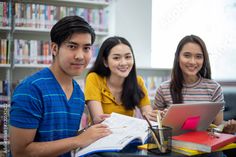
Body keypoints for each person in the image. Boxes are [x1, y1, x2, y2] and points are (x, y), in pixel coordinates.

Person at [9, 16, 111, 157]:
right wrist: (78, 140)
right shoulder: (30, 90)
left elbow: (62, 139)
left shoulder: (78, 94)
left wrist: (90, 132)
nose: (80, 56)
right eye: (72, 47)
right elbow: (20, 152)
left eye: (86, 48)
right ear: (54, 48)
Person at [154, 35, 236, 134]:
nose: (193, 62)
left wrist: (226, 129)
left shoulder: (214, 88)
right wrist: (161, 118)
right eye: (187, 55)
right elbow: (156, 128)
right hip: (173, 146)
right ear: (177, 57)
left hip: (205, 146)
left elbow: (218, 128)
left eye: (198, 56)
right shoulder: (163, 89)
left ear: (204, 59)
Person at [84, 36, 157, 124]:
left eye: (128, 57)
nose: (123, 63)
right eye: (116, 58)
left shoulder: (138, 82)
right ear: (105, 62)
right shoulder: (94, 78)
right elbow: (99, 119)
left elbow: (147, 113)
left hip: (127, 135)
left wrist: (155, 116)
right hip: (102, 134)